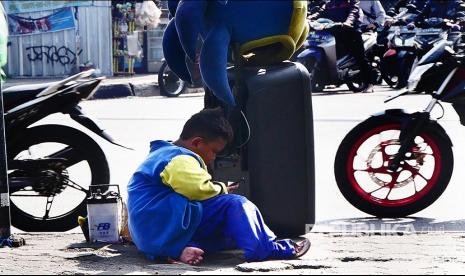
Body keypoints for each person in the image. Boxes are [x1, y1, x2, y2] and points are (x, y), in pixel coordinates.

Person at [127, 108, 311, 265]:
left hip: (152, 235)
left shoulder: (161, 154)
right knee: (235, 204)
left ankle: (180, 249)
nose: (213, 158)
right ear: (197, 142)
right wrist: (221, 188)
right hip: (161, 228)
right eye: (214, 151)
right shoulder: (179, 158)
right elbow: (197, 190)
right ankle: (267, 248)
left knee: (234, 233)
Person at [308, 0, 375, 93]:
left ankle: (369, 83)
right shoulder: (329, 4)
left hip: (350, 32)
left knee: (360, 57)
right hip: (335, 33)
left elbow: (353, 12)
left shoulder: (352, 2)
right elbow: (319, 13)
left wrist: (348, 22)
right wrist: (308, 18)